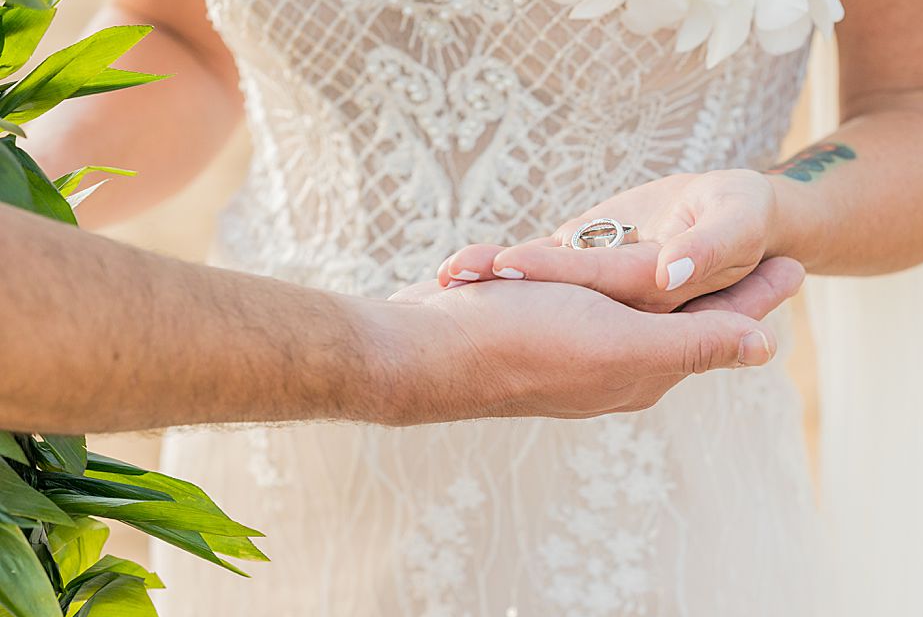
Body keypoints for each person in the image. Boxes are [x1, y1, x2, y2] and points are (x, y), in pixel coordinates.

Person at [29, 0, 923, 617]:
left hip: (641, 479)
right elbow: (175, 40)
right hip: (283, 443)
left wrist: (768, 206)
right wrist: (23, 173)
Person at [0, 203, 801, 432]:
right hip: (253, 373)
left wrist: (779, 202)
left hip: (663, 455)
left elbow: (922, 102)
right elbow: (167, 19)